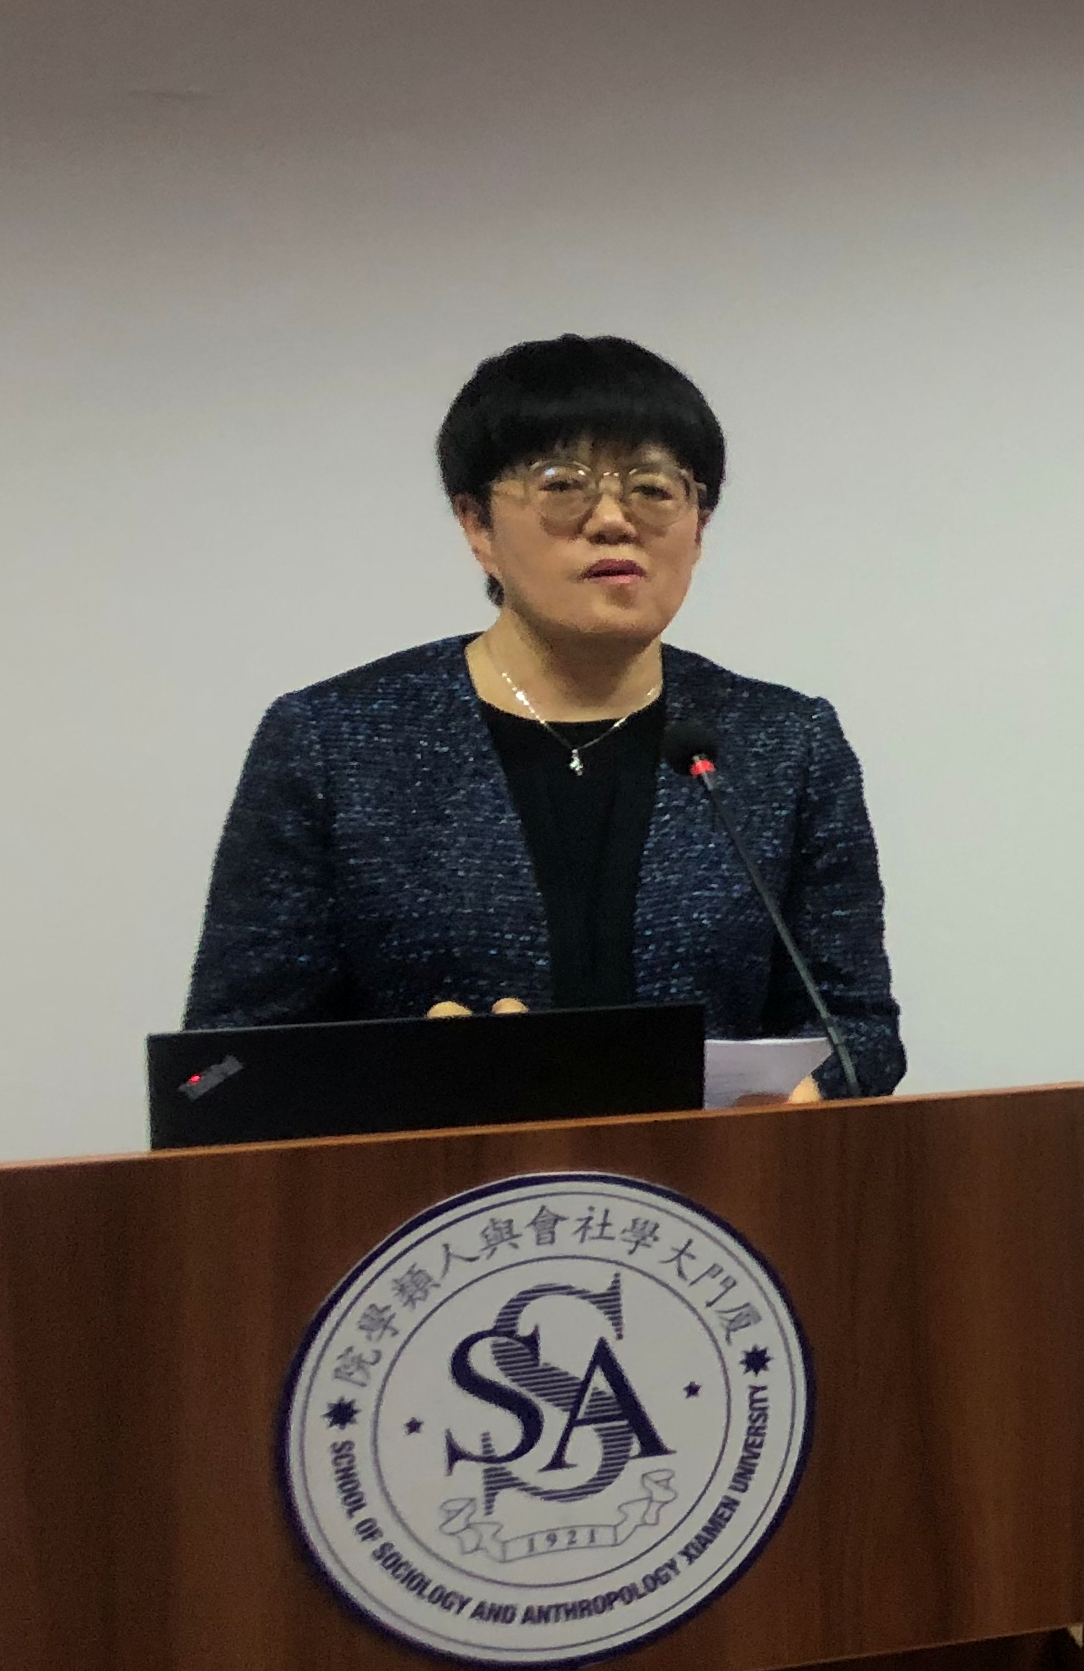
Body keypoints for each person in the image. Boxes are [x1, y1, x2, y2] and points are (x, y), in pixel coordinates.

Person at [184, 334, 905, 1100]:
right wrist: (405, 1076)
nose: (613, 520)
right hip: (435, 1178)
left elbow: (858, 1030)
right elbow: (214, 1074)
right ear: (477, 526)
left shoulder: (785, 743)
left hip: (713, 1176)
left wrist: (809, 1092)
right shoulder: (333, 744)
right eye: (564, 485)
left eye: (653, 488)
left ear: (699, 528)